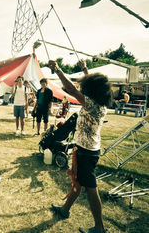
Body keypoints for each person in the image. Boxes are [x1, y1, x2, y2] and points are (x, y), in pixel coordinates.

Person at [49, 59, 111, 233]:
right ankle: (64, 210)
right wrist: (85, 70)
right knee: (78, 182)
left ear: (94, 91)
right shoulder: (100, 103)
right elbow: (92, 84)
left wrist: (58, 70)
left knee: (91, 189)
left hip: (87, 152)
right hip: (87, 150)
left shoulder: (92, 104)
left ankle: (99, 227)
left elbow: (72, 90)